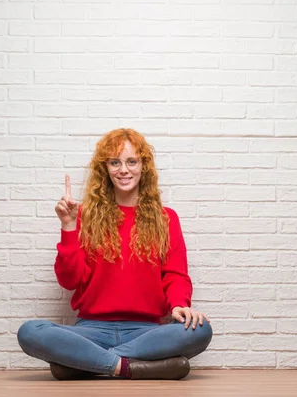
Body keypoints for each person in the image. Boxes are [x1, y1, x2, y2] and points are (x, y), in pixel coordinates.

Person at [17, 128, 212, 380]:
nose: (124, 170)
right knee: (30, 331)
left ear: (144, 167)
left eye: (132, 161)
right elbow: (69, 280)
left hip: (146, 332)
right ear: (105, 169)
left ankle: (84, 361)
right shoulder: (84, 215)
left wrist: (179, 305)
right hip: (91, 329)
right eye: (115, 162)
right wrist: (68, 227)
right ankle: (128, 367)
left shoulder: (166, 218)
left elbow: (175, 274)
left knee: (201, 329)